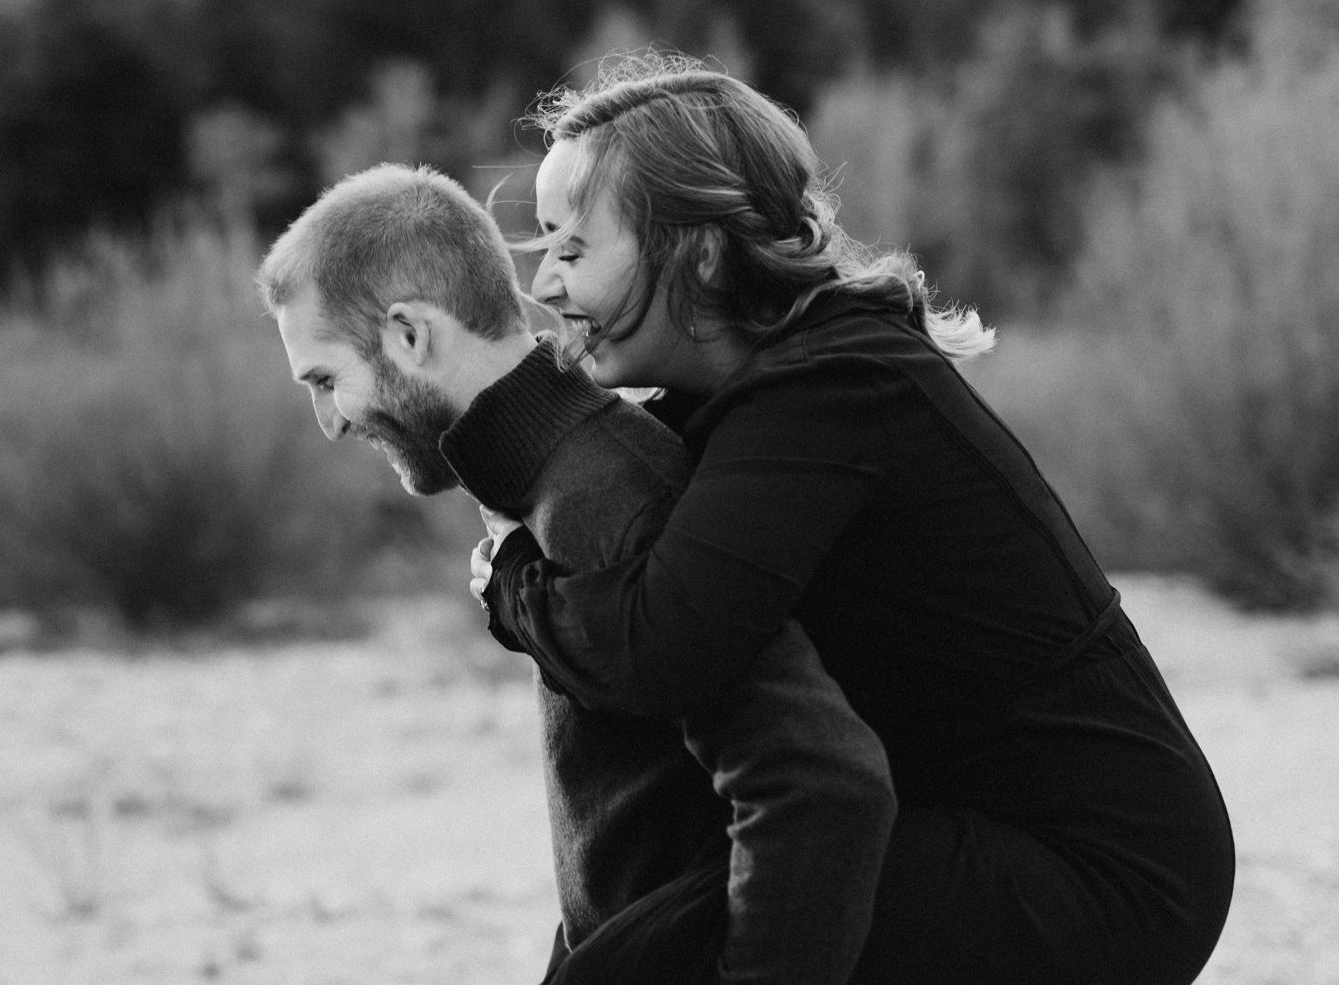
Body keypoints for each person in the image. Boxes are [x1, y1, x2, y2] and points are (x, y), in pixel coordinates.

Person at [473, 55, 1237, 983]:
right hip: (970, 825)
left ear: (701, 251)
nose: (545, 284)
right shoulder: (760, 395)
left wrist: (516, 591)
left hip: (1099, 869)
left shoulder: (837, 384)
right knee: (647, 925)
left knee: (652, 952)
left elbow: (665, 647)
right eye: (541, 247)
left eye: (574, 248)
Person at [256, 163, 895, 981]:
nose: (327, 423)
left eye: (326, 380)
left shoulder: (606, 488)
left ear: (410, 335)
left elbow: (825, 784)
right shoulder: (549, 479)